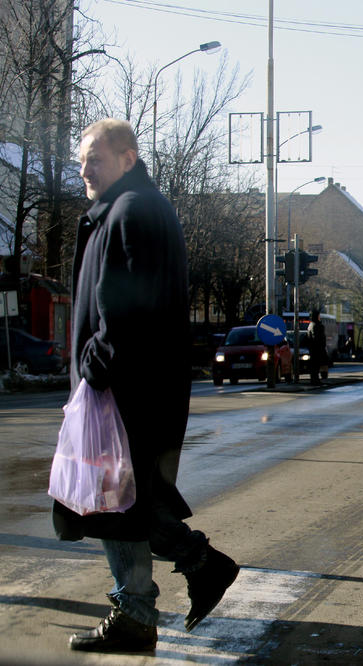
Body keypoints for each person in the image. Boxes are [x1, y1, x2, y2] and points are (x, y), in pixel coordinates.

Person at [56, 119, 239, 653]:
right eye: (82, 158)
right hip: (127, 388)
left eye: (97, 157)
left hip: (127, 391)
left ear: (129, 158)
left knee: (116, 502)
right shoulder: (123, 210)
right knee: (120, 502)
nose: (85, 168)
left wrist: (95, 368)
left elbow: (129, 311)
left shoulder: (133, 212)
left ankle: (168, 587)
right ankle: (184, 576)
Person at [306, 308, 328, 385]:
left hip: (313, 349)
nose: (320, 317)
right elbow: (317, 338)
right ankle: (315, 380)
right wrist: (321, 346)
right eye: (319, 316)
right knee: (316, 365)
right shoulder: (316, 325)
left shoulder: (311, 325)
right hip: (317, 349)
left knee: (315, 365)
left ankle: (315, 379)